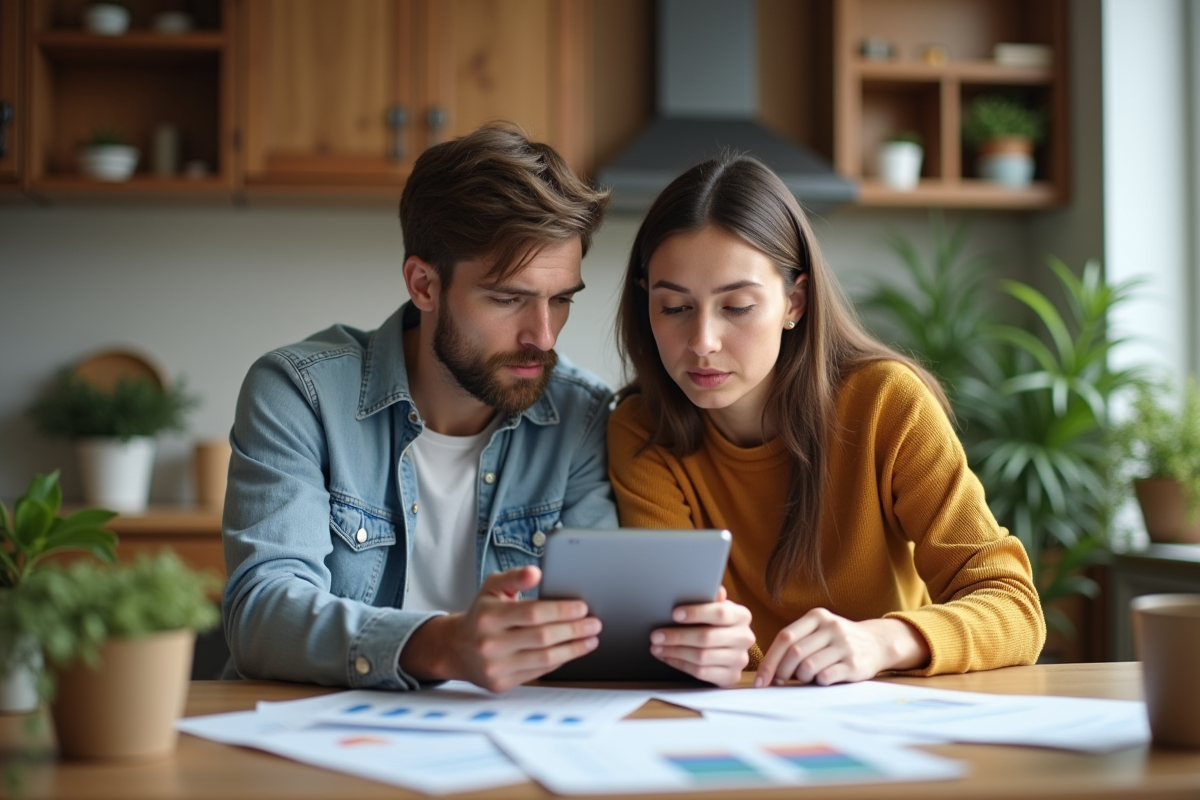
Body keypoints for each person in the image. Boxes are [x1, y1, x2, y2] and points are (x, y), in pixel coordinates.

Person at [608, 154, 1046, 688]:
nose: (702, 342)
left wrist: (881, 641)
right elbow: (682, 629)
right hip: (734, 716)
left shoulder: (887, 403)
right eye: (674, 308)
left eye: (737, 306)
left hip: (887, 712)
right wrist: (704, 651)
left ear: (795, 302)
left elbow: (1014, 607)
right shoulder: (641, 430)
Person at [223, 125, 622, 693]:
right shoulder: (300, 394)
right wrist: (441, 645)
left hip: (514, 731)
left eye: (560, 300)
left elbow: (605, 624)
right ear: (424, 284)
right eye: (508, 298)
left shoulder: (580, 416)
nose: (544, 335)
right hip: (327, 732)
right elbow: (261, 613)